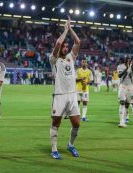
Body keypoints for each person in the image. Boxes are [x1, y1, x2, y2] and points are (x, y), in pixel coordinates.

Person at [49, 16, 81, 159]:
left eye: (66, 47)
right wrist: (65, 30)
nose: (65, 48)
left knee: (76, 123)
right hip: (60, 95)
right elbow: (57, 43)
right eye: (64, 46)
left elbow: (78, 42)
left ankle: (70, 144)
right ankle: (54, 149)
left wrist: (70, 29)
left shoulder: (70, 57)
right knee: (56, 122)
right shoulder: (53, 59)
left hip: (72, 95)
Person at [117, 57, 133, 127]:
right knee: (122, 102)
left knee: (127, 104)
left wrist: (131, 68)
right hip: (123, 86)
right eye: (127, 60)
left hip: (131, 87)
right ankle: (121, 122)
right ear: (125, 61)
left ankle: (124, 120)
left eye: (130, 60)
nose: (129, 61)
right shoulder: (120, 66)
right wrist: (126, 69)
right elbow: (119, 75)